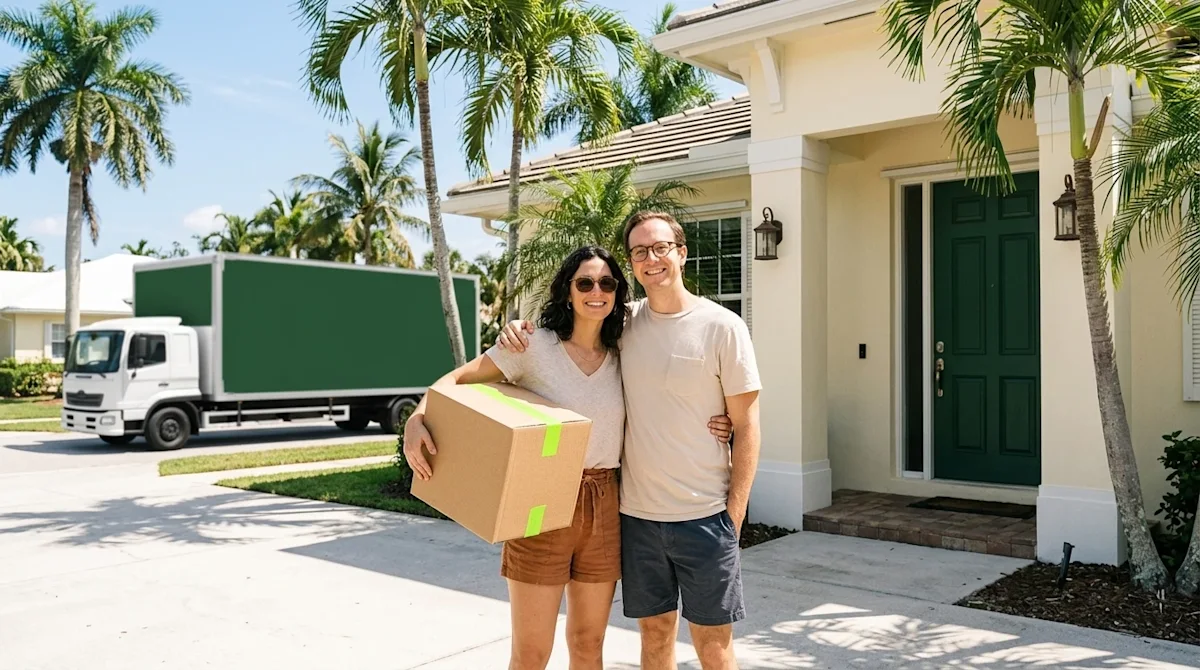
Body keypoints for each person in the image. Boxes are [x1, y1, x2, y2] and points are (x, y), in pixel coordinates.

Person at [402, 245, 735, 670]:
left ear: (617, 293)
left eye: (608, 283)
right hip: (540, 501)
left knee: (587, 642)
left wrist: (723, 421)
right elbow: (455, 381)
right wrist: (417, 417)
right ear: (567, 291)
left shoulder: (625, 349)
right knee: (531, 653)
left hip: (606, 505)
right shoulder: (531, 346)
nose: (597, 291)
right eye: (585, 283)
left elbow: (672, 392)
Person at [496, 211, 762, 670]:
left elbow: (749, 426)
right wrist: (517, 330)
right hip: (635, 519)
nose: (651, 258)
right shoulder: (623, 326)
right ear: (632, 264)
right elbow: (566, 344)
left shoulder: (723, 327)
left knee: (714, 646)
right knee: (655, 636)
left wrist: (732, 520)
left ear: (681, 253)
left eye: (660, 248)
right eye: (640, 251)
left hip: (704, 516)